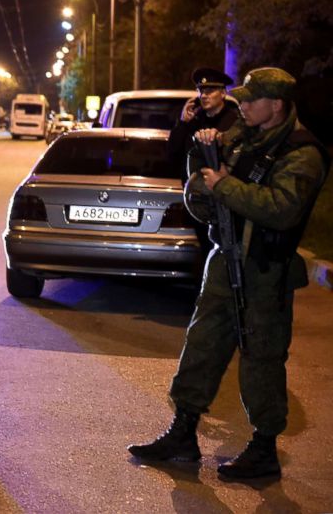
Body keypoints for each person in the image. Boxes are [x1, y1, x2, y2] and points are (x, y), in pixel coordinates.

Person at [128, 67, 329, 480]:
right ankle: (182, 433)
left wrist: (223, 185)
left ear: (276, 105)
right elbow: (202, 185)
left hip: (265, 270)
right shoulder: (242, 135)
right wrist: (201, 157)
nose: (245, 105)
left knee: (261, 357)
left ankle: (263, 448)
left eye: (252, 100)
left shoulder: (302, 152)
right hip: (226, 258)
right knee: (201, 345)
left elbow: (280, 207)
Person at [167, 67, 240, 182]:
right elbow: (173, 154)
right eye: (201, 91)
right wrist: (182, 123)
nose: (204, 96)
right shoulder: (194, 121)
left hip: (221, 192)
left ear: (223, 93)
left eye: (210, 91)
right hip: (192, 191)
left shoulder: (234, 122)